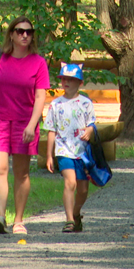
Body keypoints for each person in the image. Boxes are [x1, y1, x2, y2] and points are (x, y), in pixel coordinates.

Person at [0, 16, 50, 235]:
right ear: (11, 34)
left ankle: (18, 220)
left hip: (24, 123)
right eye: (19, 31)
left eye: (29, 31)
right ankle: (0, 216)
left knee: (22, 173)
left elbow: (40, 96)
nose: (24, 35)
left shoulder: (38, 63)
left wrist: (32, 125)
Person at [43, 63, 95, 233]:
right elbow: (51, 130)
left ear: (79, 82)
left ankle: (76, 213)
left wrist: (89, 131)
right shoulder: (55, 104)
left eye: (71, 79)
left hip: (82, 152)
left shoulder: (86, 103)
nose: (66, 82)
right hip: (63, 151)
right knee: (69, 182)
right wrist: (49, 155)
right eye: (64, 78)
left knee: (83, 188)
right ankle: (69, 220)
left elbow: (92, 125)